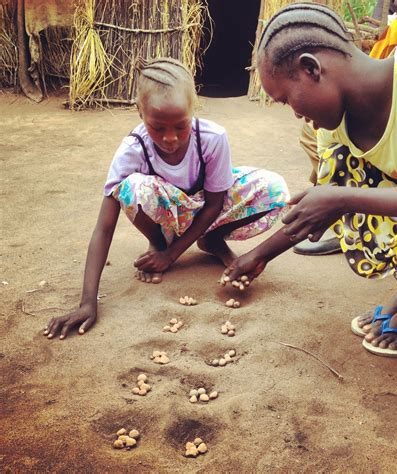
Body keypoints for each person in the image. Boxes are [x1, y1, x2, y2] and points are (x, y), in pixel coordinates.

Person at [222, 3, 397, 357]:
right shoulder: (336, 125)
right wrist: (259, 255)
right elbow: (323, 205)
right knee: (340, 174)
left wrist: (342, 199)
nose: (295, 113)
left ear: (310, 68)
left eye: (288, 100)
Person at [44, 57, 290, 340]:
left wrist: (172, 257)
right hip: (167, 211)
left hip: (208, 209)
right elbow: (104, 227)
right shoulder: (133, 150)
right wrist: (88, 302)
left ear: (193, 111)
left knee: (274, 188)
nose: (170, 138)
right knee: (133, 187)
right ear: (140, 112)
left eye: (180, 126)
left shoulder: (212, 138)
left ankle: (210, 240)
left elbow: (214, 204)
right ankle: (158, 242)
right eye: (158, 128)